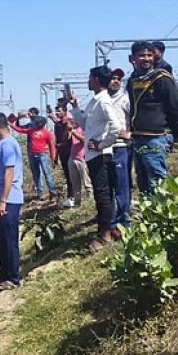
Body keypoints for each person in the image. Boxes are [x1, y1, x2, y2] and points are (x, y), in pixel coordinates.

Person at [70, 66, 123, 252]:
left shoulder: (104, 102)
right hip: (94, 155)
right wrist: (75, 107)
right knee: (102, 195)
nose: (88, 81)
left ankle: (105, 234)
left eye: (90, 77)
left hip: (100, 155)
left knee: (103, 196)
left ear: (97, 80)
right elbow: (86, 125)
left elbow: (116, 127)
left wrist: (101, 144)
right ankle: (104, 231)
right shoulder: (95, 101)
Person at [127, 40, 178, 195]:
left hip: (155, 137)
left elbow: (173, 106)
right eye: (142, 55)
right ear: (132, 59)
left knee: (157, 182)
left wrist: (176, 132)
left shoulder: (161, 78)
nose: (146, 59)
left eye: (149, 55)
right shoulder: (132, 80)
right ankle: (149, 216)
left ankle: (161, 216)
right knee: (143, 183)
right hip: (138, 137)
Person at [0, 113, 24, 289]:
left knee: (8, 239)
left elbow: (9, 172)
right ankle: (4, 275)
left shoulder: (7, 145)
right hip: (4, 198)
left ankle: (12, 278)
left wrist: (2, 201)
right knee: (1, 239)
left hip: (9, 199)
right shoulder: (5, 144)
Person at [10, 116, 56, 200]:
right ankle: (40, 192)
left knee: (46, 174)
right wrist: (11, 124)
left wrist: (53, 157)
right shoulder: (31, 131)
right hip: (33, 155)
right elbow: (19, 129)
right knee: (37, 175)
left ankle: (51, 191)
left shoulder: (46, 133)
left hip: (41, 155)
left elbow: (51, 146)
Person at [108, 68, 132, 232]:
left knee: (122, 187)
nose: (116, 81)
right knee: (108, 188)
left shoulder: (125, 99)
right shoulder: (101, 100)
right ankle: (110, 222)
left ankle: (123, 222)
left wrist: (129, 132)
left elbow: (135, 116)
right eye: (113, 78)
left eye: (118, 79)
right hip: (104, 149)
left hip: (120, 148)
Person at [50, 104, 76, 208]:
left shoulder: (69, 123)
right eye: (56, 111)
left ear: (65, 112)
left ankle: (73, 196)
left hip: (70, 151)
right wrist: (55, 156)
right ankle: (70, 196)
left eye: (59, 111)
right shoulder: (57, 125)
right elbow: (57, 139)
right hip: (62, 152)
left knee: (72, 175)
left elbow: (70, 139)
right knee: (66, 174)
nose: (57, 113)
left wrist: (61, 145)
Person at [67, 120, 92, 206]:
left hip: (81, 158)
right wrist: (69, 131)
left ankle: (90, 201)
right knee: (75, 183)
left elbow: (84, 140)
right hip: (72, 158)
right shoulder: (71, 129)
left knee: (86, 181)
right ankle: (77, 202)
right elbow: (67, 139)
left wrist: (73, 132)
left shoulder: (83, 129)